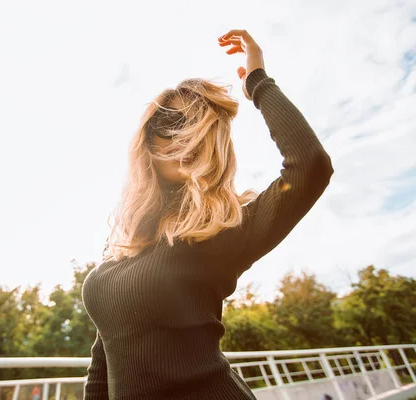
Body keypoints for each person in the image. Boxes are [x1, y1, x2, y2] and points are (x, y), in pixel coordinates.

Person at [81, 29, 333, 399]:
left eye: (199, 127)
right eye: (169, 124)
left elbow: (309, 166)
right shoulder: (123, 243)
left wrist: (258, 83)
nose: (185, 138)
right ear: (147, 143)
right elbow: (103, 362)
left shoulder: (222, 232)